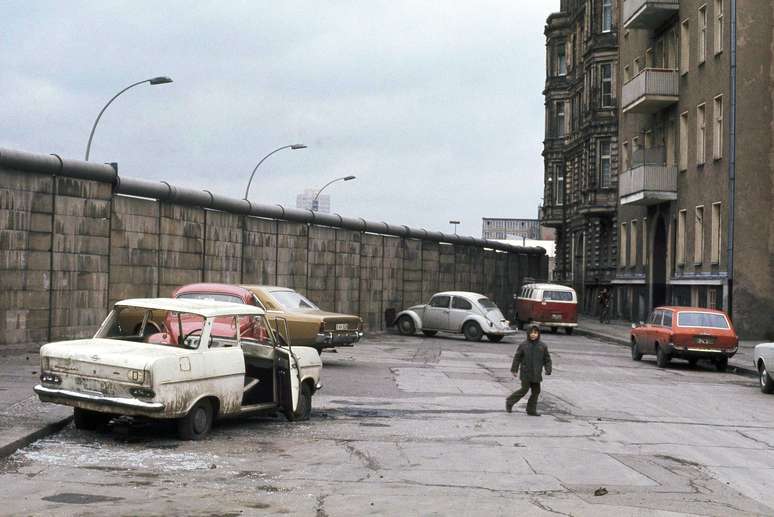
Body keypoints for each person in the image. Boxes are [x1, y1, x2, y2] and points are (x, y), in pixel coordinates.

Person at [505, 325, 552, 416]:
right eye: (531, 333)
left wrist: (548, 369)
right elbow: (517, 358)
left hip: (536, 373)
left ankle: (531, 409)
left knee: (536, 391)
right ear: (528, 334)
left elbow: (547, 359)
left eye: (535, 333)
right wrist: (514, 369)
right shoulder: (524, 345)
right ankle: (510, 401)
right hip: (525, 372)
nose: (533, 335)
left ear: (538, 334)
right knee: (524, 389)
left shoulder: (542, 346)